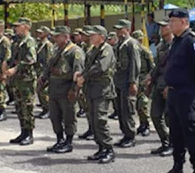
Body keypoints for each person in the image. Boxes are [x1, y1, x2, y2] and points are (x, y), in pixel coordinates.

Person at [158, 8, 195, 173]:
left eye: (173, 22)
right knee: (176, 133)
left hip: (187, 93)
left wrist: (190, 85)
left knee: (191, 132)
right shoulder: (177, 41)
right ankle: (177, 168)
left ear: (184, 22)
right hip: (174, 93)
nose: (170, 25)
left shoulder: (192, 41)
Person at [75, 25, 116, 164]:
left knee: (100, 119)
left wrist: (84, 77)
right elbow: (88, 67)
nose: (90, 37)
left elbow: (100, 67)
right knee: (93, 119)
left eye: (94, 35)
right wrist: (81, 74)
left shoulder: (107, 49)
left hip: (102, 89)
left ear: (102, 37)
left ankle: (109, 149)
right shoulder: (93, 49)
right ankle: (101, 148)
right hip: (92, 89)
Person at [41, 26, 84, 153]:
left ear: (65, 37)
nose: (54, 38)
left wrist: (74, 90)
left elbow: (78, 72)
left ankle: (68, 142)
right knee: (55, 116)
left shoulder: (75, 51)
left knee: (69, 117)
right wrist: (44, 78)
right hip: (54, 89)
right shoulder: (56, 49)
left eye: (57, 36)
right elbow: (49, 66)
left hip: (66, 89)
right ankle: (59, 140)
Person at [4, 18, 38, 146]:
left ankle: (29, 134)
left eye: (18, 26)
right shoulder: (18, 41)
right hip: (18, 79)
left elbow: (31, 59)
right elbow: (13, 57)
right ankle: (23, 132)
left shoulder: (29, 41)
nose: (16, 28)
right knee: (19, 106)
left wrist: (15, 68)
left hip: (26, 80)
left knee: (27, 107)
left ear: (25, 27)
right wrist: (7, 63)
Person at [145, 19, 173, 156]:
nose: (162, 29)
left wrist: (171, 85)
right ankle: (165, 142)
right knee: (155, 115)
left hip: (171, 84)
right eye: (161, 27)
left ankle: (174, 144)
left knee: (170, 117)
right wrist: (150, 77)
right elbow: (157, 65)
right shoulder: (161, 45)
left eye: (164, 26)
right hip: (159, 83)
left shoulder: (176, 45)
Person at [112, 19, 141, 148]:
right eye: (117, 29)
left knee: (128, 109)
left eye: (120, 29)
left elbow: (135, 64)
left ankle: (130, 136)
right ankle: (125, 134)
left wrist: (133, 82)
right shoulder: (120, 44)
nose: (118, 31)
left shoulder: (131, 44)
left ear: (127, 29)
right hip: (118, 81)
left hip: (127, 82)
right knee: (120, 109)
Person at [132, 30, 155, 137]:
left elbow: (152, 67)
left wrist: (148, 80)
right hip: (136, 80)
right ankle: (141, 124)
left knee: (143, 104)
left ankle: (146, 125)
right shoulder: (133, 51)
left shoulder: (146, 51)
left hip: (143, 80)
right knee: (137, 105)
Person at [35, 26, 54, 119]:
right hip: (38, 71)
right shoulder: (39, 44)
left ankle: (49, 109)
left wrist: (45, 74)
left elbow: (49, 61)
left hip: (44, 72)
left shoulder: (48, 45)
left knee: (44, 91)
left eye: (41, 33)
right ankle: (44, 108)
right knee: (39, 90)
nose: (38, 34)